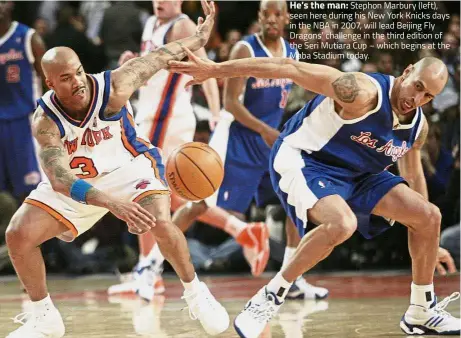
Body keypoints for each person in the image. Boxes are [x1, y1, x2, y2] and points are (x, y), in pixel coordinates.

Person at [170, 53, 461, 336]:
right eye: (418, 86)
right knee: (341, 224)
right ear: (407, 71)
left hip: (358, 174)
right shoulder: (360, 92)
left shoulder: (417, 127)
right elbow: (288, 67)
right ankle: (270, 296)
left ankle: (421, 310)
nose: (417, 98)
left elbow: (412, 174)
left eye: (428, 96)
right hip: (306, 159)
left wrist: (429, 242)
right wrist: (215, 70)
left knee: (429, 216)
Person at [5, 1, 229, 337]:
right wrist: (111, 203)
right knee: (17, 235)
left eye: (79, 71)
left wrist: (198, 39)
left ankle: (196, 292)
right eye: (66, 78)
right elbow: (60, 178)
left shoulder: (113, 87)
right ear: (51, 84)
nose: (78, 82)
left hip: (130, 167)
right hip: (80, 184)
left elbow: (156, 58)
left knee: (160, 221)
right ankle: (44, 317)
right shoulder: (45, 121)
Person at [109, 0, 270, 300]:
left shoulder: (182, 25)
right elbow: (152, 71)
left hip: (168, 118)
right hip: (151, 114)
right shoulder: (150, 23)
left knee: (143, 190)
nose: (160, 2)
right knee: (170, 196)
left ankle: (147, 271)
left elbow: (204, 68)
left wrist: (214, 109)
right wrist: (133, 61)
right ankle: (242, 231)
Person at [172, 0, 328, 300]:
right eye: (265, 14)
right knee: (205, 206)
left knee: (297, 203)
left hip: (270, 143)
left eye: (277, 14)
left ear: (287, 18)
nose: (271, 20)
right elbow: (231, 102)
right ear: (258, 17)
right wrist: (264, 129)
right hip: (239, 139)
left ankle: (292, 278)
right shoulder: (245, 49)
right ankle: (152, 264)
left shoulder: (292, 52)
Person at [0, 1, 46, 201]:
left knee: (32, 190)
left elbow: (49, 81)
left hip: (25, 122)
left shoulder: (28, 37)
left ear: (10, 3)